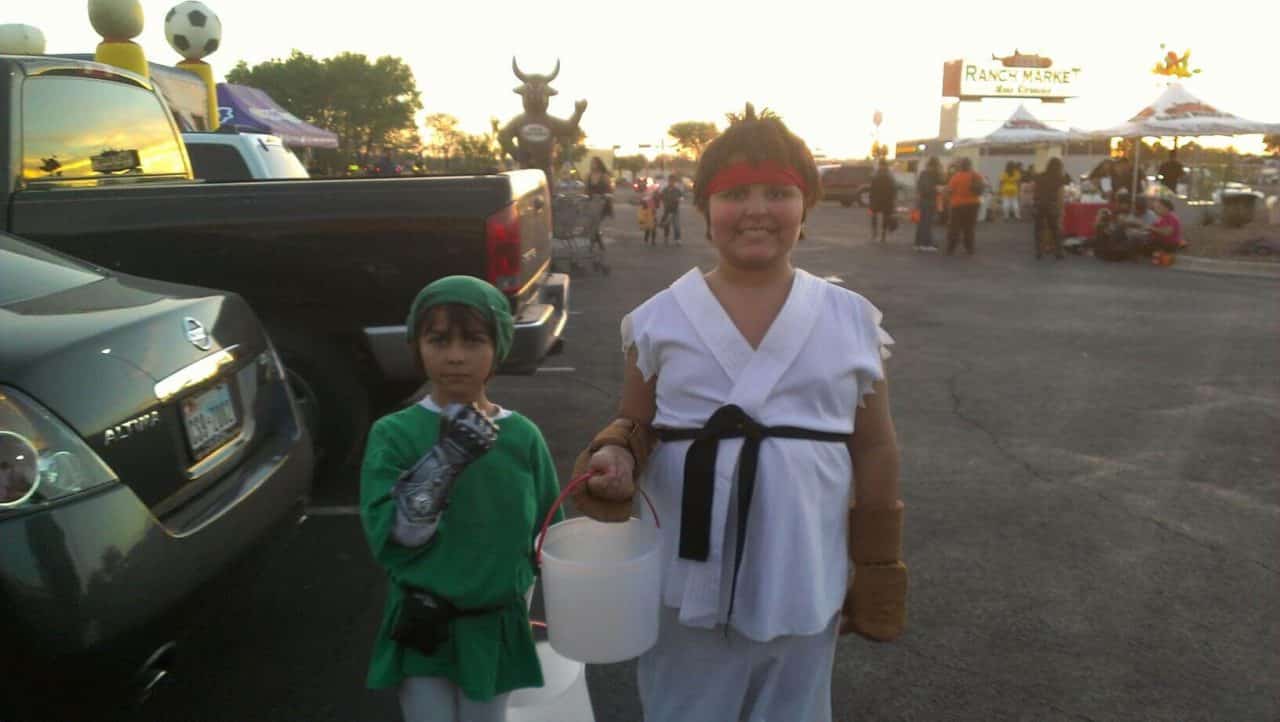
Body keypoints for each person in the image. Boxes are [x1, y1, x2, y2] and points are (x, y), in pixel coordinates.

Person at [569, 104, 907, 722]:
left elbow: (875, 446)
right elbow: (635, 422)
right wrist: (615, 452)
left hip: (803, 569)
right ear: (702, 209)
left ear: (807, 204)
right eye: (734, 194)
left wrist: (878, 563)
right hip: (684, 577)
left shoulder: (851, 318)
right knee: (684, 708)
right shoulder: (657, 319)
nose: (756, 210)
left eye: (778, 192)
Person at [359, 276, 564, 722]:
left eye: (473, 340)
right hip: (424, 627)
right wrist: (444, 459)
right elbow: (396, 537)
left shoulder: (523, 437)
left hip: (496, 628)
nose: (455, 356)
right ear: (418, 345)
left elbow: (551, 536)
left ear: (499, 346)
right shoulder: (393, 434)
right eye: (438, 340)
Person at [944, 157, 983, 255]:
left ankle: (951, 248)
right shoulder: (976, 176)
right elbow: (981, 188)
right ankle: (969, 248)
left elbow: (949, 190)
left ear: (961, 166)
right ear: (970, 165)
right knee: (969, 228)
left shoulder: (956, 177)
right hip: (973, 204)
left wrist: (948, 199)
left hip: (957, 205)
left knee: (954, 228)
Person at [1032, 157, 1067, 260]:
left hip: (1039, 205)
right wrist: (1061, 209)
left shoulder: (1040, 176)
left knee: (1039, 229)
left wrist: (1035, 201)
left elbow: (1035, 191)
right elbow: (1060, 195)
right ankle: (1058, 252)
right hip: (1052, 205)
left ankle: (1039, 250)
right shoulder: (1059, 178)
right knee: (1055, 230)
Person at [585, 157, 614, 252]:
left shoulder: (604, 176)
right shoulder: (589, 176)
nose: (592, 165)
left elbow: (609, 190)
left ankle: (590, 245)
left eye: (594, 163)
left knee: (595, 225)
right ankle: (600, 244)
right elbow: (585, 190)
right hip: (590, 203)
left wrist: (605, 197)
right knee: (591, 224)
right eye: (591, 163)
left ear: (599, 164)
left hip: (602, 204)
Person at [914, 157, 942, 251]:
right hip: (928, 201)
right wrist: (935, 190)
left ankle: (919, 243)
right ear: (933, 166)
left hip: (924, 201)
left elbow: (920, 187)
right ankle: (925, 243)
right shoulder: (928, 175)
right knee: (926, 223)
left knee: (923, 223)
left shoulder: (923, 174)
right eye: (937, 166)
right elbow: (927, 189)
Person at [868, 160, 898, 243]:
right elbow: (894, 189)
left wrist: (871, 200)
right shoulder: (889, 175)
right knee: (885, 217)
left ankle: (875, 233)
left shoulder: (876, 175)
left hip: (877, 200)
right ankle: (882, 235)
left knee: (875, 216)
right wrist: (893, 200)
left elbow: (872, 189)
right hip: (886, 200)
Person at [660, 173, 684, 245]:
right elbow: (661, 197)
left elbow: (682, 197)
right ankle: (666, 238)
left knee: (676, 225)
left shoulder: (677, 190)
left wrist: (679, 199)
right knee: (667, 225)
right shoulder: (665, 190)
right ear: (668, 181)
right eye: (670, 180)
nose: (671, 182)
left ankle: (677, 239)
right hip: (667, 209)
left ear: (674, 181)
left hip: (675, 209)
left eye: (673, 181)